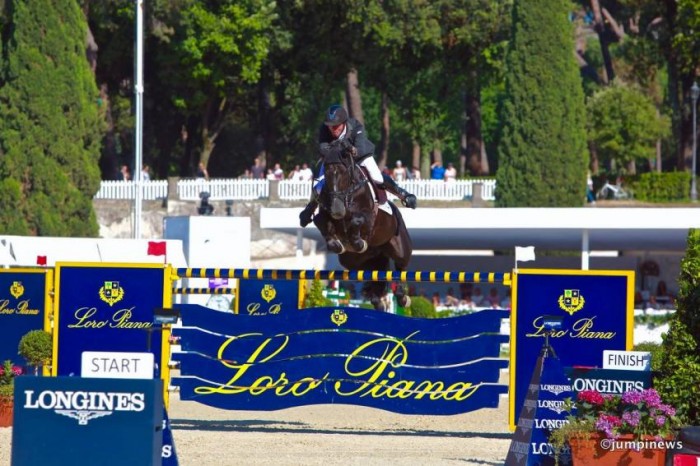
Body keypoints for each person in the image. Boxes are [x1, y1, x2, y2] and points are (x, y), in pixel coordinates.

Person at [299, 104, 417, 227]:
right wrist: (341, 152)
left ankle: (403, 195)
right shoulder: (324, 128)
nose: (333, 129)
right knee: (319, 184)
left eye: (336, 126)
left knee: (377, 177)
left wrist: (349, 150)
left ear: (344, 122)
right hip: (335, 159)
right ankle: (310, 208)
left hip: (361, 156)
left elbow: (359, 150)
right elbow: (323, 149)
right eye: (330, 126)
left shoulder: (356, 127)